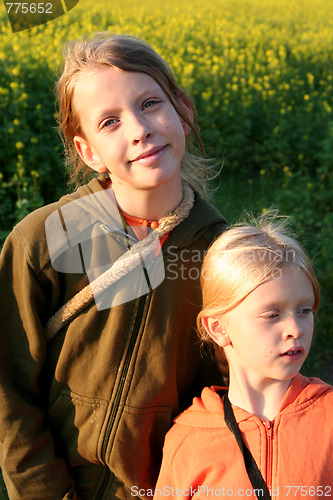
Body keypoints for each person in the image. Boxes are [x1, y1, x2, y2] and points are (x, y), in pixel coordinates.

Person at [0, 33, 227, 499]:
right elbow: (9, 390)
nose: (139, 129)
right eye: (109, 122)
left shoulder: (221, 256)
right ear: (87, 152)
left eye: (150, 104)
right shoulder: (41, 241)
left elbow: (226, 395)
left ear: (182, 111)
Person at [154, 214, 333, 498]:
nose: (295, 329)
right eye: (272, 314)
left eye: (305, 310)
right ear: (218, 327)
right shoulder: (188, 440)